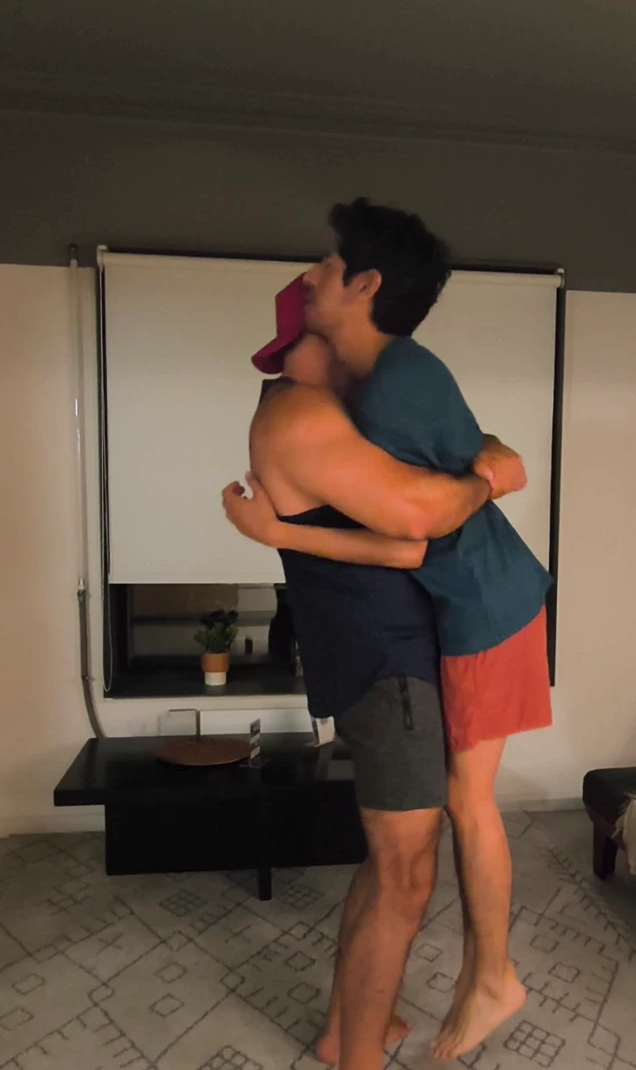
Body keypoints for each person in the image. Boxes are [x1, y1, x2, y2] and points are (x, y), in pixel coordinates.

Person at [224, 198, 554, 1061]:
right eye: (309, 338)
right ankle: (391, 1035)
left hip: (427, 632)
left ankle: (360, 1028)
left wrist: (481, 451)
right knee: (412, 864)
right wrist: (490, 476)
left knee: (407, 850)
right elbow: (416, 525)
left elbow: (436, 458)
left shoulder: (369, 395)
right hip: (392, 656)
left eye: (326, 270)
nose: (312, 283)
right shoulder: (307, 412)